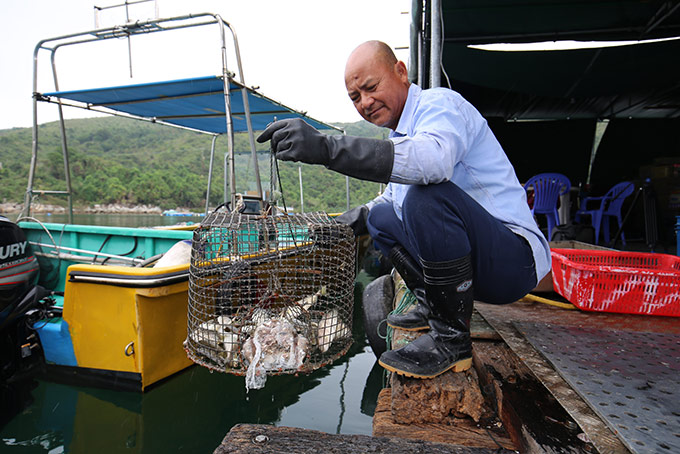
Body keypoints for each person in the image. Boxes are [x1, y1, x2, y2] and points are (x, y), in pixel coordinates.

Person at [257, 40, 551, 379]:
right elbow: (386, 205)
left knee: (427, 198)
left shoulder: (440, 105)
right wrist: (337, 225)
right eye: (355, 97)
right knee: (381, 218)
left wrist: (327, 147)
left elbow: (433, 162)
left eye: (371, 87)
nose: (365, 103)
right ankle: (433, 304)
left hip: (513, 265)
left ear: (400, 71)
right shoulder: (401, 136)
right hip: (474, 272)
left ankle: (451, 342)